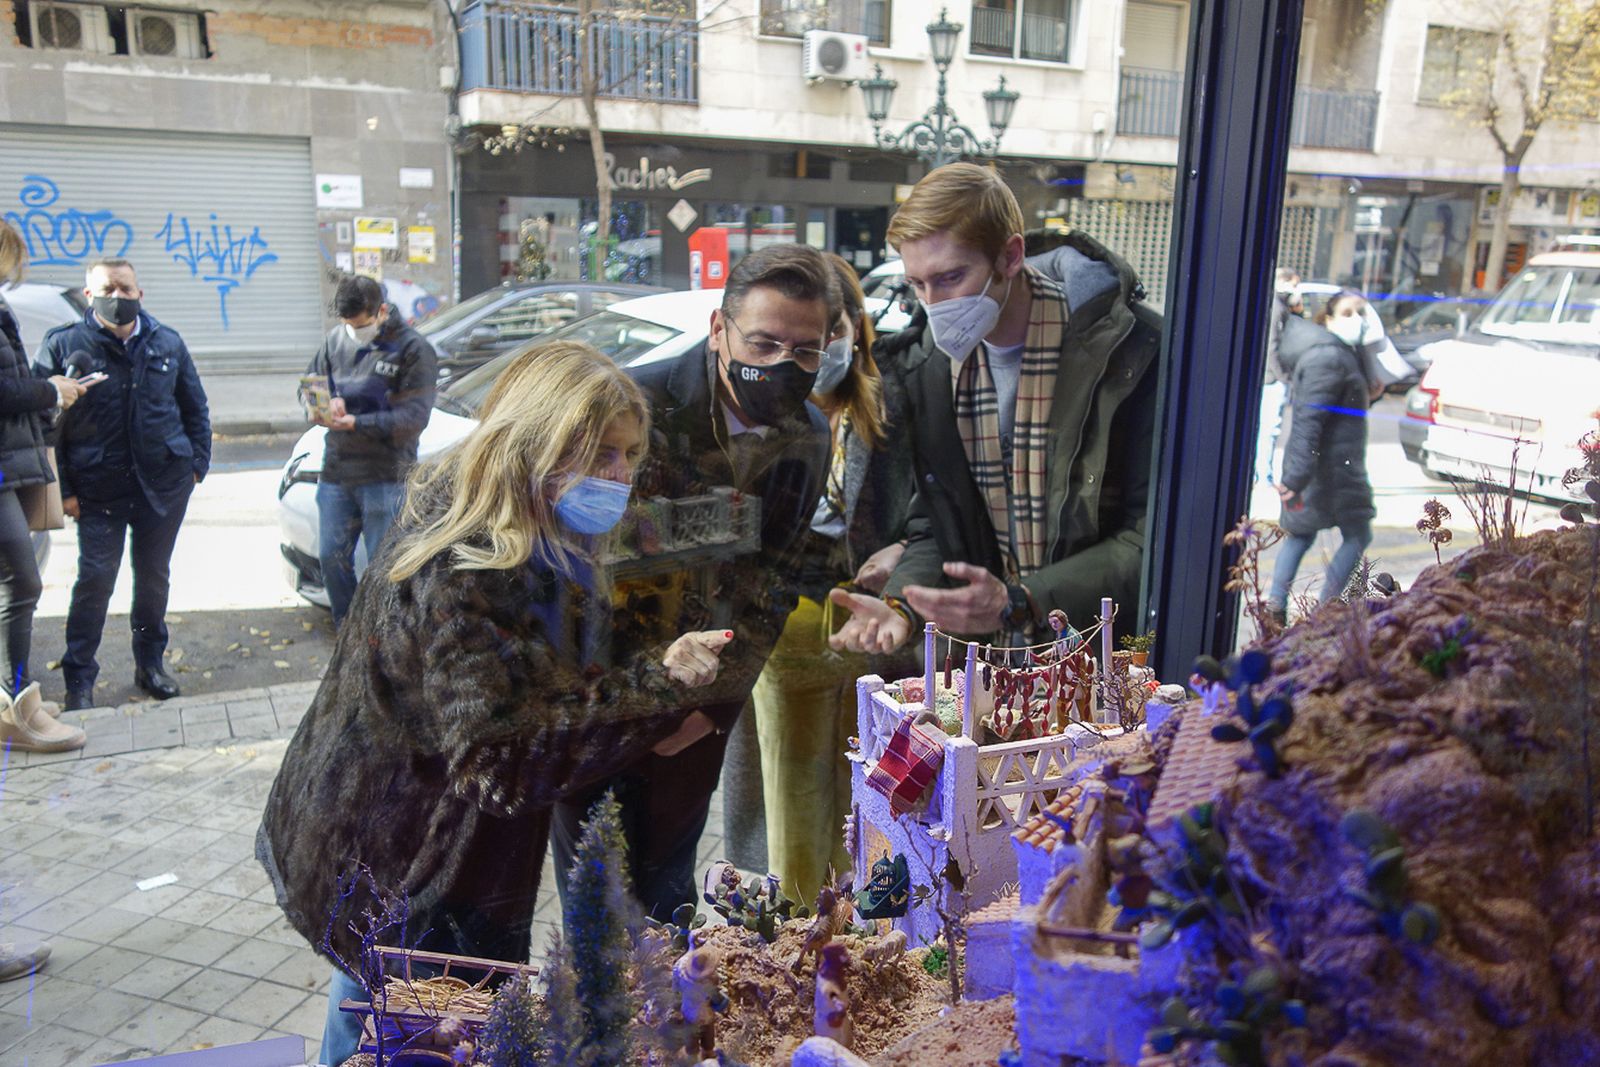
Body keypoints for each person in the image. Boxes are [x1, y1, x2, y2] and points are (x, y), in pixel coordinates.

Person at [256, 341, 736, 1067]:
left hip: (389, 852)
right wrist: (657, 687)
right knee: (398, 1032)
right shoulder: (469, 567)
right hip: (414, 865)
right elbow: (499, 761)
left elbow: (533, 680)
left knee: (366, 1010)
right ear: (535, 444)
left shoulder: (506, 519)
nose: (619, 475)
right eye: (600, 454)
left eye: (628, 455)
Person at [551, 243, 838, 921]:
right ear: (718, 330)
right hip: (602, 701)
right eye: (763, 343)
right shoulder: (630, 409)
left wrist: (712, 710)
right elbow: (564, 568)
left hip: (699, 706)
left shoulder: (808, 434)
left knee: (670, 892)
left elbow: (774, 585)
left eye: (804, 352)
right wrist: (612, 708)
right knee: (596, 905)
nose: (781, 364)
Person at [829, 163, 1160, 657]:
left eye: (951, 277)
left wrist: (1025, 600)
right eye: (917, 284)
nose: (933, 304)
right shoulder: (931, 367)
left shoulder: (1126, 351)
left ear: (1010, 256)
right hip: (992, 660)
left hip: (1103, 650)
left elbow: (1151, 533)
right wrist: (903, 603)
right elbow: (943, 520)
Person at [750, 252, 918, 903]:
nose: (819, 352)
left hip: (870, 617)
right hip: (790, 616)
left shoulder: (886, 399)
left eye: (833, 332)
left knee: (872, 785)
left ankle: (868, 919)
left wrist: (902, 548)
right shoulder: (765, 405)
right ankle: (798, 923)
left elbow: (923, 506)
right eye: (805, 339)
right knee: (791, 791)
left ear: (855, 328)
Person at [35, 258, 210, 710]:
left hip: (163, 488)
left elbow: (195, 408)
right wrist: (64, 490)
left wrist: (196, 465)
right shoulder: (64, 345)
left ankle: (150, 665)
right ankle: (79, 679)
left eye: (126, 289)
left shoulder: (167, 341)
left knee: (153, 581)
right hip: (97, 490)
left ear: (140, 293)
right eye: (107, 289)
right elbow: (44, 427)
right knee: (95, 581)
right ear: (89, 295)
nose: (118, 297)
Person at [304, 274, 437, 627]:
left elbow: (414, 417)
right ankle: (348, 629)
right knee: (330, 557)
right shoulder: (335, 340)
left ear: (381, 311)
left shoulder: (413, 349)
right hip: (337, 471)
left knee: (384, 568)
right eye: (347, 325)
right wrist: (321, 404)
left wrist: (357, 423)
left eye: (360, 325)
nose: (353, 331)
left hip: (385, 475)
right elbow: (312, 383)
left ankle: (382, 635)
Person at [1266, 289, 1378, 623]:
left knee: (1302, 534)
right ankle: (1321, 610)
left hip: (1327, 467)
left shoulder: (1338, 353)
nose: (1357, 320)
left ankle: (1276, 609)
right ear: (1326, 319)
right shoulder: (1328, 357)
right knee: (1357, 534)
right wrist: (1296, 478)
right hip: (1330, 470)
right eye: (1347, 313)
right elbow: (1308, 422)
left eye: (1362, 312)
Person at [1257, 268, 1303, 486]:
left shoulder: (1280, 306)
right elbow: (1272, 347)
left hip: (1272, 376)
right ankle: (1264, 475)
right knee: (1270, 429)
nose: (1296, 290)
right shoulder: (1276, 307)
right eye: (1293, 285)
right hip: (1273, 378)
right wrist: (1284, 376)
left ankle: (1261, 473)